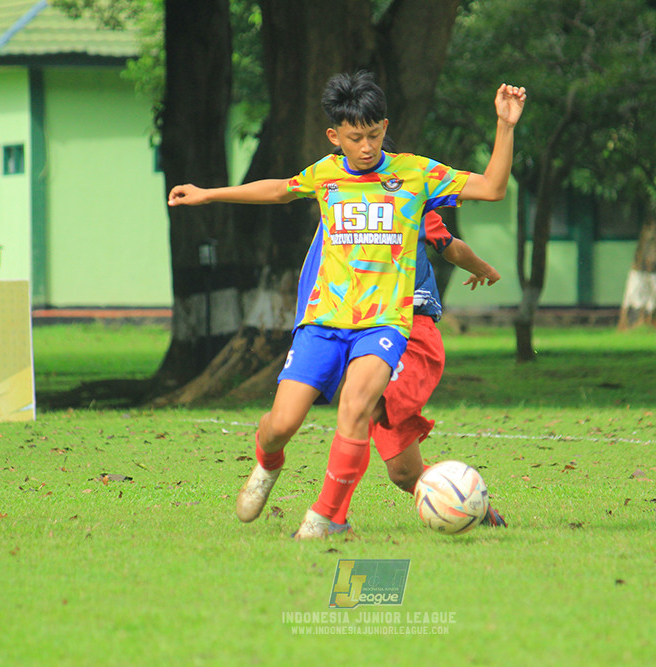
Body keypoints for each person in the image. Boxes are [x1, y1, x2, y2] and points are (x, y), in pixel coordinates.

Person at [168, 70, 525, 539]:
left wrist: (505, 125)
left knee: (356, 408)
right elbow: (277, 189)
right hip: (323, 322)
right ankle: (266, 461)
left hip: (386, 324)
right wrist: (209, 193)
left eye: (374, 135)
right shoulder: (326, 175)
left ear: (384, 127)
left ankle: (325, 519)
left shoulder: (414, 174)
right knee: (282, 424)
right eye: (355, 138)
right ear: (335, 137)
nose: (367, 147)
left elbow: (493, 188)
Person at [327, 209, 506, 533]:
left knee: (365, 407)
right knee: (404, 473)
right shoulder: (340, 203)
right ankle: (472, 506)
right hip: (368, 334)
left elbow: (450, 245)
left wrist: (483, 268)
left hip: (413, 333)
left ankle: (331, 517)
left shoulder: (408, 198)